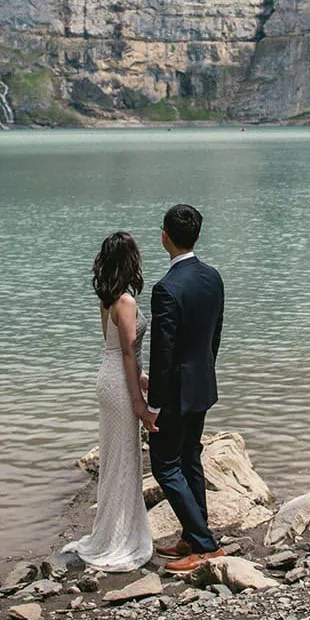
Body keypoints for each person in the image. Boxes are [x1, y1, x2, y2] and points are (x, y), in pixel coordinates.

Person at [65, 231, 155, 572]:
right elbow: (129, 352)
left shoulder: (107, 298)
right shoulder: (126, 302)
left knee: (116, 457)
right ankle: (120, 538)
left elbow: (117, 347)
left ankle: (113, 531)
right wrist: (139, 402)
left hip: (108, 375)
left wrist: (141, 378)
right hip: (119, 382)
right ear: (131, 261)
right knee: (124, 459)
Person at [146, 203, 226, 573]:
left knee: (165, 466)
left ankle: (206, 544)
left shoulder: (166, 289)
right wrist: (205, 371)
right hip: (203, 385)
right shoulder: (213, 277)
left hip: (176, 392)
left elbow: (162, 355)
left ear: (165, 237)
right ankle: (193, 537)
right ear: (197, 235)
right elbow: (215, 337)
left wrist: (153, 405)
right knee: (191, 456)